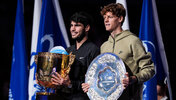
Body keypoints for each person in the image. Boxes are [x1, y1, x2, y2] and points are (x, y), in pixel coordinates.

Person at [82, 3, 155, 100]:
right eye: (104, 18)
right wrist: (90, 84)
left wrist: (134, 79)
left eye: (110, 17)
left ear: (120, 19)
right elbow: (101, 75)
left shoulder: (133, 41)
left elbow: (149, 69)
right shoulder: (104, 46)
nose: (106, 20)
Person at [51, 12, 100, 100]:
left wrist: (70, 84)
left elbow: (94, 84)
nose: (72, 29)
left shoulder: (93, 50)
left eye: (77, 25)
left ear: (87, 28)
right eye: (71, 25)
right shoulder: (68, 50)